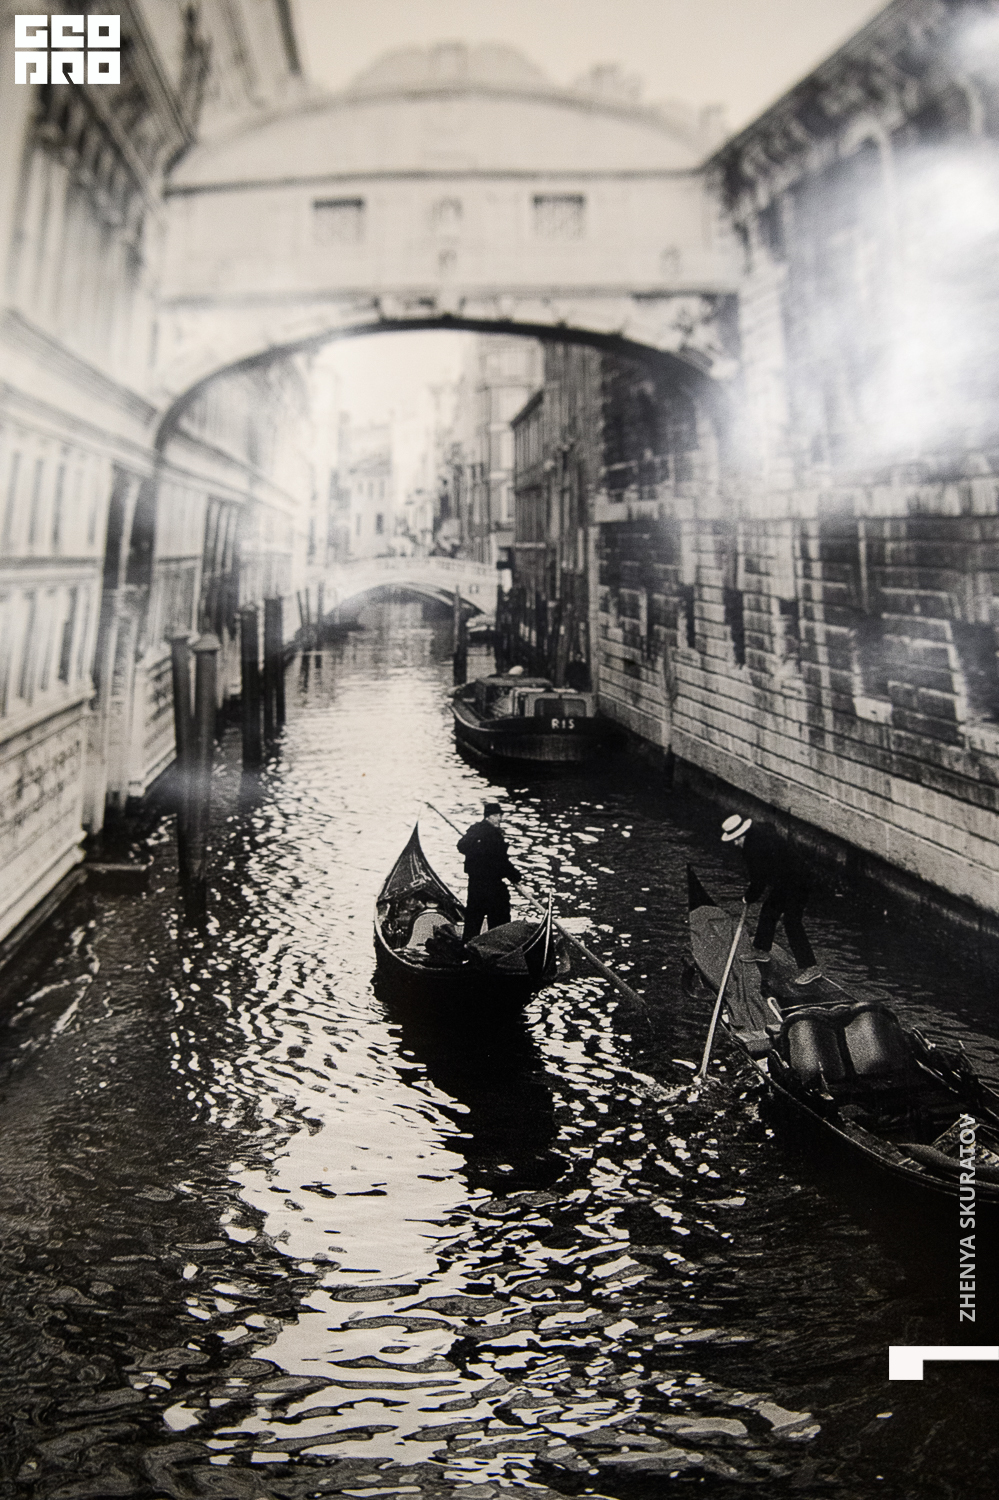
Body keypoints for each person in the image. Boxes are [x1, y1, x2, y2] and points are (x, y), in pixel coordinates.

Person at [720, 813, 822, 985]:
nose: (735, 843)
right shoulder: (755, 837)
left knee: (792, 922)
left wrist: (748, 897)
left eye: (737, 839)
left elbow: (758, 880)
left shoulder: (754, 847)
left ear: (744, 834)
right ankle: (761, 950)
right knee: (769, 910)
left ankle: (811, 967)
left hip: (799, 881)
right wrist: (752, 894)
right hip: (784, 880)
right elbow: (762, 875)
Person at [457, 802, 522, 941]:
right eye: (497, 815)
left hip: (475, 885)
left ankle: (467, 945)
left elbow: (462, 846)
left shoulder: (475, 830)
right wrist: (515, 876)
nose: (500, 819)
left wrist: (476, 848)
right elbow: (502, 862)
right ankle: (497, 945)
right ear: (489, 816)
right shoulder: (494, 836)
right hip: (492, 886)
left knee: (473, 918)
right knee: (499, 917)